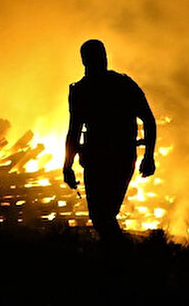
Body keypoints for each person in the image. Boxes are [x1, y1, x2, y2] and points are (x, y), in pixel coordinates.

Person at [63, 39, 156, 242]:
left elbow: (74, 131)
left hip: (112, 159)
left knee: (102, 217)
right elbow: (74, 131)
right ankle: (119, 259)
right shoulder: (114, 85)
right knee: (102, 217)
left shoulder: (90, 89)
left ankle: (121, 259)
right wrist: (148, 156)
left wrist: (149, 156)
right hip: (108, 159)